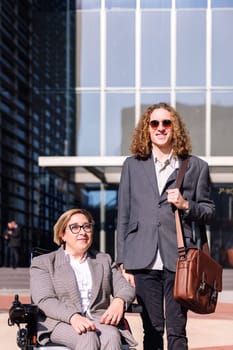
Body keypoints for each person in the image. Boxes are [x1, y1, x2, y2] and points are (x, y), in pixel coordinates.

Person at [116, 102, 215, 350]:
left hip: (180, 260)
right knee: (151, 329)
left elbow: (209, 211)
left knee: (176, 331)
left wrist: (185, 204)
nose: (160, 128)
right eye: (155, 123)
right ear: (147, 129)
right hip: (142, 259)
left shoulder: (196, 167)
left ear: (175, 128)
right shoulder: (132, 165)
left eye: (166, 123)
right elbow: (124, 215)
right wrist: (123, 262)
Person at [30, 208, 137, 350]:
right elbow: (44, 299)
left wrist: (119, 301)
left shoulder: (103, 260)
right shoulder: (44, 263)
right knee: (87, 335)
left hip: (98, 320)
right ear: (63, 234)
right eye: (75, 227)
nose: (82, 232)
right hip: (59, 322)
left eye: (86, 227)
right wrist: (73, 317)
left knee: (112, 335)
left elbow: (125, 287)